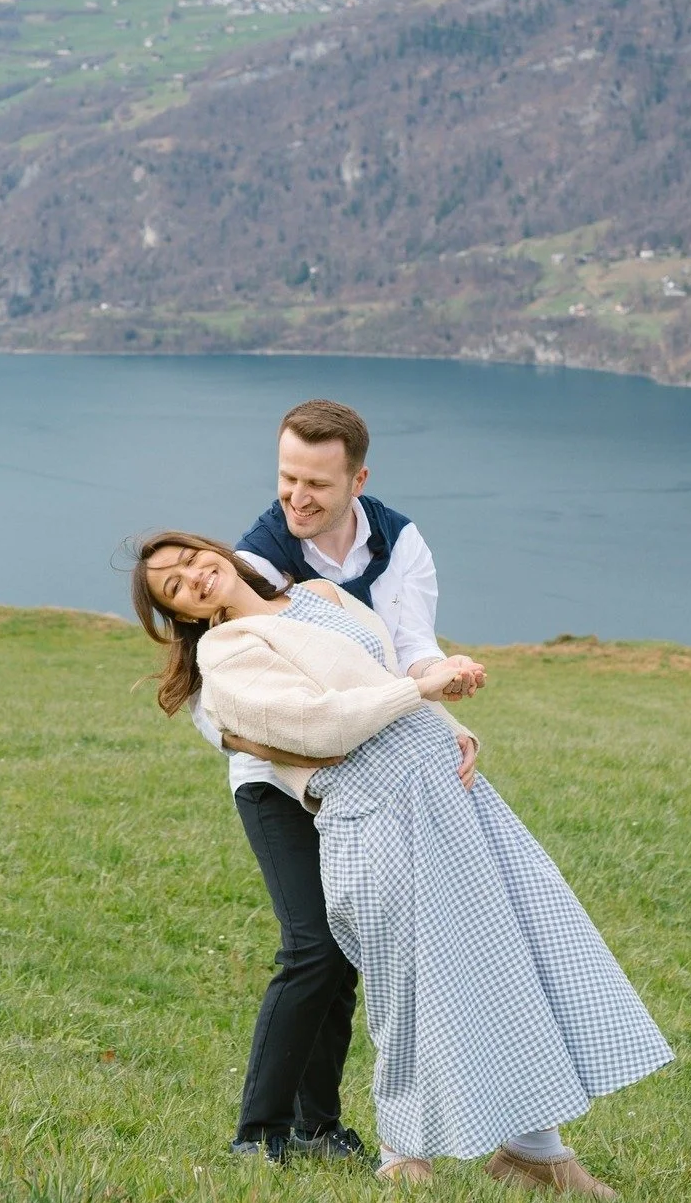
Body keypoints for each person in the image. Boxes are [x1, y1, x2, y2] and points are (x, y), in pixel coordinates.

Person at [133, 532, 673, 1193]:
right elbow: (318, 726)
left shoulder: (319, 595)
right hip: (371, 811)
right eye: (175, 588)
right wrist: (418, 697)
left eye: (191, 561)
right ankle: (402, 1150)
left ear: (213, 548)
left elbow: (387, 673)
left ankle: (535, 1148)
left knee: (506, 955)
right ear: (182, 615)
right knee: (410, 981)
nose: (194, 579)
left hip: (441, 785)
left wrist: (449, 717)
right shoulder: (227, 652)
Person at [187, 399, 471, 1167]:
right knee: (311, 947)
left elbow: (409, 644)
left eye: (316, 482)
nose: (297, 498)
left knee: (346, 949)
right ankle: (258, 1131)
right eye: (286, 478)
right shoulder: (256, 556)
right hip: (276, 781)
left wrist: (444, 709)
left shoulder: (399, 539)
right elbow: (213, 703)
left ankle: (318, 1125)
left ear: (358, 479)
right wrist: (296, 764)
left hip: (368, 772)